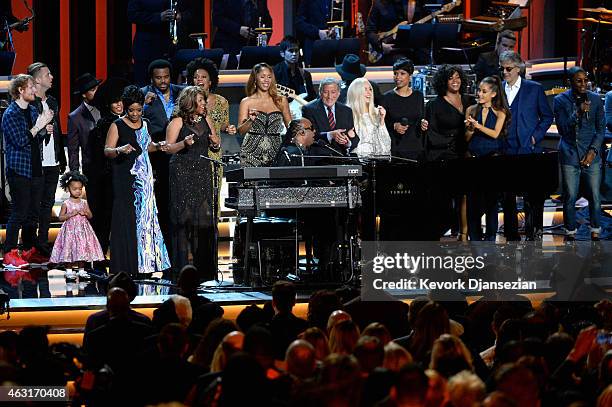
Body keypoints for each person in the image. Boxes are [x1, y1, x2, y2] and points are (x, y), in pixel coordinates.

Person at [104, 85, 170, 276]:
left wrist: (158, 146)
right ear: (125, 107)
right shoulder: (117, 125)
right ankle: (127, 265)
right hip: (126, 179)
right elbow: (107, 150)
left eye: (138, 110)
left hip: (146, 179)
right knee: (127, 220)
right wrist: (119, 150)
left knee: (146, 220)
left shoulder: (146, 123)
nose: (135, 114)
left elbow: (146, 146)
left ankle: (146, 264)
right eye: (131, 110)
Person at [165, 86, 221, 282]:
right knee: (184, 220)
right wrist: (183, 144)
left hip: (203, 172)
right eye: (200, 100)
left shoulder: (207, 120)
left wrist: (215, 144)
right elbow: (168, 148)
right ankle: (182, 269)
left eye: (204, 100)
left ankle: (204, 270)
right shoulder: (177, 122)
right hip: (182, 173)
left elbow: (214, 143)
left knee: (204, 219)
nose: (204, 103)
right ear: (190, 102)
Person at [499, 51, 553, 241]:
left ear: (518, 68)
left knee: (533, 194)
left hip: (528, 148)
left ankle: (534, 232)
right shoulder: (498, 88)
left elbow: (547, 116)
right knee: (508, 195)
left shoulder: (534, 88)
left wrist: (535, 137)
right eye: (502, 68)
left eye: (508, 69)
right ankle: (511, 235)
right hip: (506, 148)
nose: (504, 72)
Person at [1, 74, 53, 268]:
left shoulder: (31, 110)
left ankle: (29, 250)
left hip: (35, 169)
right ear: (20, 90)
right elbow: (21, 141)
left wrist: (43, 131)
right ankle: (9, 253)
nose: (34, 90)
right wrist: (38, 125)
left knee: (33, 213)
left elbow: (34, 139)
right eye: (31, 87)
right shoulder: (11, 114)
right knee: (19, 213)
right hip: (19, 170)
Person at [553, 66, 605, 241]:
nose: (584, 84)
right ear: (570, 82)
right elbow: (562, 129)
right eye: (579, 81)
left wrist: (593, 151)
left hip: (591, 154)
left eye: (586, 80)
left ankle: (595, 231)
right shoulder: (560, 100)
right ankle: (570, 233)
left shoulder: (596, 100)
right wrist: (578, 112)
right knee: (570, 197)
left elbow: (600, 129)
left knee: (595, 196)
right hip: (570, 154)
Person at [426, 65, 474, 240]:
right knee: (444, 199)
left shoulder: (470, 101)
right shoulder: (434, 104)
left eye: (457, 77)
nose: (455, 81)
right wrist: (452, 141)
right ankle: (442, 231)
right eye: (450, 78)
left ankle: (464, 232)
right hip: (444, 156)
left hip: (467, 155)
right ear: (443, 82)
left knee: (467, 196)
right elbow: (431, 134)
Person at [185, 57, 236, 218]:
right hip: (192, 153)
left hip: (213, 154)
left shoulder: (222, 101)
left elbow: (222, 124)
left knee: (212, 198)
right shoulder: (185, 101)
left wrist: (227, 127)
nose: (199, 80)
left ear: (211, 80)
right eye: (195, 77)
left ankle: (211, 233)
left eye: (203, 77)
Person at [141, 59, 184, 245]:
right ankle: (162, 241)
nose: (163, 81)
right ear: (152, 79)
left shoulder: (181, 92)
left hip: (181, 153)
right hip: (156, 156)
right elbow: (133, 121)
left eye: (166, 76)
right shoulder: (143, 94)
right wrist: (143, 105)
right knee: (161, 200)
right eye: (159, 78)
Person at [25, 62, 66, 259]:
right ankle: (30, 244)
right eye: (48, 74)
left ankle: (42, 242)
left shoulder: (53, 102)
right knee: (33, 205)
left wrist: (62, 158)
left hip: (52, 161)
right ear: (38, 79)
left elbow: (57, 130)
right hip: (35, 162)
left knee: (47, 204)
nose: (52, 77)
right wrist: (42, 130)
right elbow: (26, 134)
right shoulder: (28, 103)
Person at [88, 77, 131, 255]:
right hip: (108, 179)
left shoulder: (129, 122)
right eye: (115, 101)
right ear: (108, 104)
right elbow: (100, 156)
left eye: (121, 100)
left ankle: (122, 257)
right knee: (105, 218)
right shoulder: (104, 126)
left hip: (125, 177)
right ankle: (99, 256)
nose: (119, 104)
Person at [465, 76, 509, 241]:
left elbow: (495, 134)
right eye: (479, 90)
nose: (480, 94)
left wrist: (477, 126)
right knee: (473, 203)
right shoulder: (471, 110)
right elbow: (466, 138)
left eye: (484, 91)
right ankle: (474, 238)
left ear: (493, 94)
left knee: (491, 203)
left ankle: (490, 237)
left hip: (492, 161)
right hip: (474, 160)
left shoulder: (500, 112)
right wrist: (469, 130)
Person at [49, 171, 104, 280]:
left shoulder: (84, 202)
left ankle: (81, 270)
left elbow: (91, 215)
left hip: (82, 231)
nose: (78, 191)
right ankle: (69, 270)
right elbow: (60, 217)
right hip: (70, 231)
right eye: (75, 189)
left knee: (82, 249)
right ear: (68, 189)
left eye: (80, 189)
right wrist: (69, 214)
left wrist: (86, 213)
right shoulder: (66, 203)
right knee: (68, 249)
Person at [127, 0, 193, 86]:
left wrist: (181, 16)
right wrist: (158, 17)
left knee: (172, 86)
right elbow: (132, 15)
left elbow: (192, 12)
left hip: (173, 48)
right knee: (143, 86)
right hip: (146, 49)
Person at [238, 62, 291, 167]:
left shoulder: (281, 100)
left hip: (275, 152)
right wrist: (250, 120)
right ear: (255, 79)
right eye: (262, 77)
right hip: (251, 153)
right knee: (252, 183)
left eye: (269, 77)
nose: (266, 80)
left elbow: (290, 126)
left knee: (274, 183)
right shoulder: (246, 102)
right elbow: (241, 131)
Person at [381, 58, 428, 160]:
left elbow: (421, 118)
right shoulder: (386, 98)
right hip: (396, 149)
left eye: (402, 73)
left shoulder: (418, 96)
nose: (398, 77)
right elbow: (380, 124)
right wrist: (394, 125)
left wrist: (423, 123)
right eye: (395, 73)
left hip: (416, 148)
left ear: (410, 76)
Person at [301, 77, 359, 156]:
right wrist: (330, 135)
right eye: (325, 92)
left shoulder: (347, 111)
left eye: (333, 92)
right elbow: (309, 136)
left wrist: (347, 142)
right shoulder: (308, 109)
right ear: (320, 92)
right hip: (319, 157)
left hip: (342, 157)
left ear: (338, 93)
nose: (329, 96)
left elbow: (354, 138)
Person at [212, 0, 272, 69]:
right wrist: (238, 29)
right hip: (229, 47)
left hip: (252, 49)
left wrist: (263, 39)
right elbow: (217, 18)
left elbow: (266, 19)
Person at [295, 0, 353, 66]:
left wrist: (336, 29)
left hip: (335, 47)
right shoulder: (308, 1)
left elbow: (346, 21)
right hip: (314, 47)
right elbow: (299, 23)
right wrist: (317, 32)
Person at [346, 78, 391, 158]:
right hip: (357, 162)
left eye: (370, 89)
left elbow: (386, 145)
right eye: (365, 89)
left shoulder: (377, 113)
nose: (369, 92)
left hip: (377, 161)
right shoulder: (347, 114)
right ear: (356, 92)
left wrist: (382, 121)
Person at [273, 35, 317, 116]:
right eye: (290, 51)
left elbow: (312, 97)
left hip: (303, 113)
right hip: (281, 113)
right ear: (282, 54)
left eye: (296, 51)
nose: (294, 54)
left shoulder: (305, 74)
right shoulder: (274, 72)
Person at [67, 73, 102, 172]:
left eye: (97, 88)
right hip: (91, 168)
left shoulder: (106, 109)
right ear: (83, 94)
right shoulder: (75, 117)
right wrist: (75, 175)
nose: (97, 92)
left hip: (111, 167)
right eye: (92, 90)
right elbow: (73, 150)